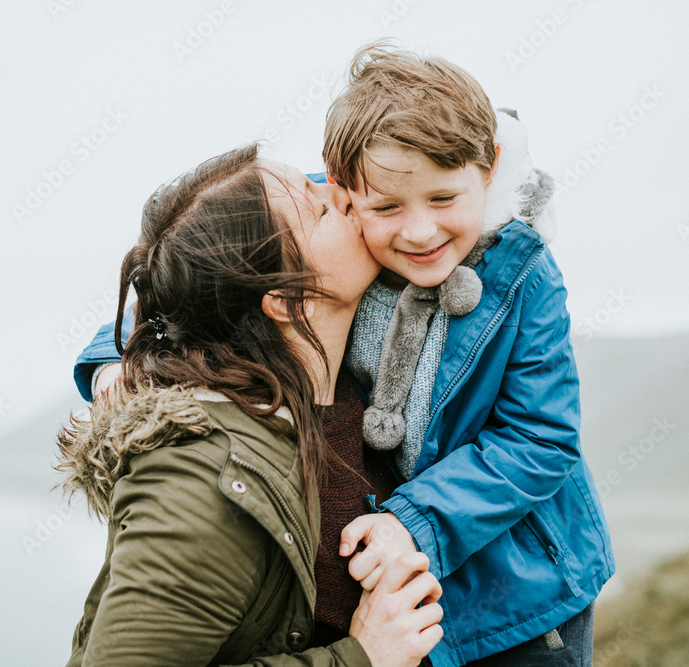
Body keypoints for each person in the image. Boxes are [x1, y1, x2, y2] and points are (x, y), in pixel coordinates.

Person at [56, 144, 444, 666]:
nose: (347, 195)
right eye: (321, 207)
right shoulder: (203, 476)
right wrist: (360, 657)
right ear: (285, 300)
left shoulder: (361, 392)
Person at [318, 45, 615, 666]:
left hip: (522, 601)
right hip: (394, 600)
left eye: (445, 199)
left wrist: (416, 522)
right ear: (345, 193)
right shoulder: (322, 209)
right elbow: (203, 260)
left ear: (490, 167)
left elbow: (540, 439)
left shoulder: (525, 273)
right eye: (388, 208)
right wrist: (131, 350)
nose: (420, 232)